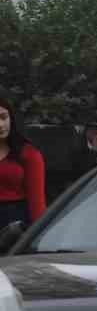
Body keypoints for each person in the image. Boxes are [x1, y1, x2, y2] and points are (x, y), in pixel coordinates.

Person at [0, 93, 46, 228]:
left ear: (11, 118)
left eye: (3, 117)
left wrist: (39, 235)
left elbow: (37, 203)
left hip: (14, 226)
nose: (1, 125)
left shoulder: (29, 154)